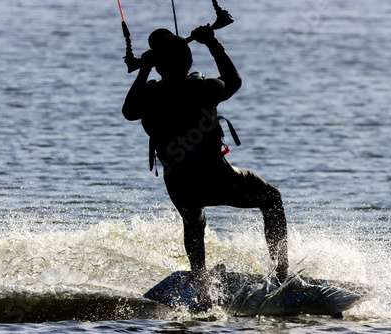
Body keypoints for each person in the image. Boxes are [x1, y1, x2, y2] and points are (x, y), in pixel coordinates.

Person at [122, 25, 288, 306]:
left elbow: (128, 111)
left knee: (193, 220)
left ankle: (202, 284)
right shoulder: (204, 87)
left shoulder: (148, 96)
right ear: (187, 60)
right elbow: (234, 81)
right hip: (217, 179)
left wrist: (144, 69)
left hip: (181, 188)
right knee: (271, 197)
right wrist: (212, 42)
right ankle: (283, 278)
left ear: (158, 66)